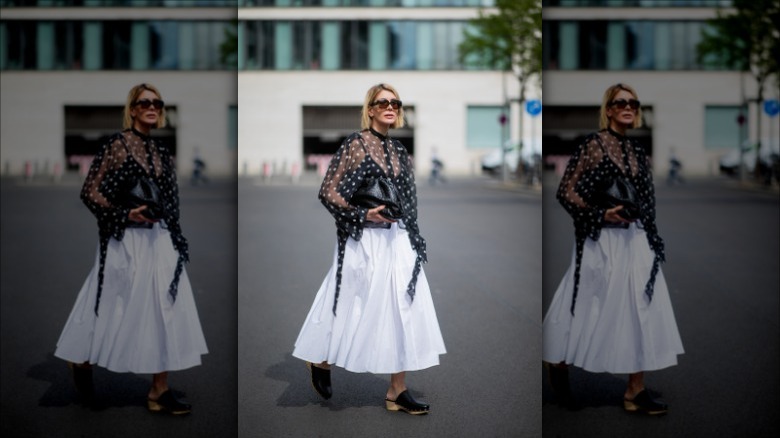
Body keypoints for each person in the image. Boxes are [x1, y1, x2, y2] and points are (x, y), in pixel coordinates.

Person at [54, 83, 208, 414]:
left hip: (160, 239)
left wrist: (175, 237)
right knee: (112, 303)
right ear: (133, 109)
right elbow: (90, 191)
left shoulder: (162, 152)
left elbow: (169, 200)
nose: (152, 106)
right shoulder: (118, 145)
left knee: (163, 306)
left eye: (157, 102)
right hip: (125, 240)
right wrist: (124, 214)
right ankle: (80, 358)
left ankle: (159, 389)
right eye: (144, 102)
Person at [292, 83, 446, 415]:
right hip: (364, 239)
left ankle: (397, 389)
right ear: (371, 109)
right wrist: (363, 214)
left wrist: (414, 238)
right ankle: (319, 357)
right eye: (383, 102)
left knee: (403, 305)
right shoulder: (356, 144)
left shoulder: (401, 151)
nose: (390, 106)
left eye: (396, 102)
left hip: (397, 237)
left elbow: (408, 200)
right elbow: (328, 191)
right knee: (350, 300)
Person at [542, 83, 683, 415]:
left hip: (635, 239)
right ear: (608, 109)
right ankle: (559, 360)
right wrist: (600, 213)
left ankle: (635, 390)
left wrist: (648, 232)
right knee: (588, 305)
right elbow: (567, 190)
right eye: (620, 103)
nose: (628, 107)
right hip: (601, 240)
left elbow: (646, 199)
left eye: (633, 103)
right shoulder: (594, 144)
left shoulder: (635, 150)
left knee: (640, 307)